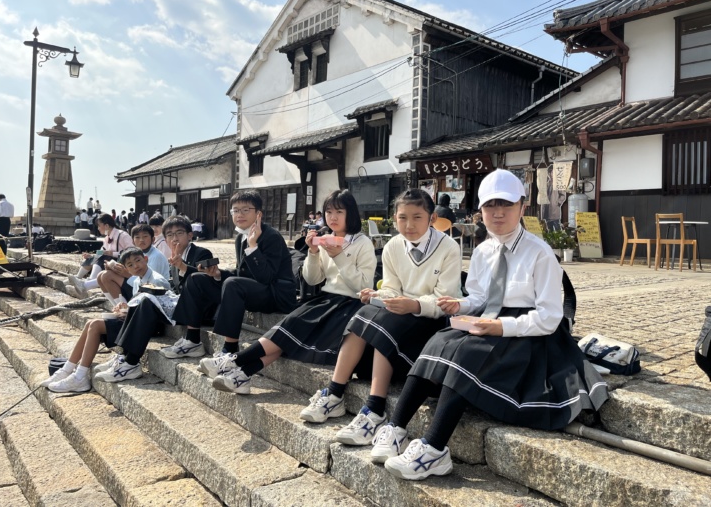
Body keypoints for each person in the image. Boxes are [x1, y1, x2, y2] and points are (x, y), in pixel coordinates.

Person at [371, 169, 608, 480]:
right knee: (440, 341)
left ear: (523, 207)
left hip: (530, 335)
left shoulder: (541, 254)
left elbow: (550, 318)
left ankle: (434, 448)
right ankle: (396, 426)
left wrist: (501, 327)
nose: (497, 214)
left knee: (468, 353)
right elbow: (480, 296)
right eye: (489, 206)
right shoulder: (483, 250)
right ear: (480, 211)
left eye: (506, 205)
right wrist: (461, 304)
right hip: (490, 321)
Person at [298, 189, 462, 448]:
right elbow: (392, 289)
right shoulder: (394, 246)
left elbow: (446, 300)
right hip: (400, 313)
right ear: (394, 218)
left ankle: (374, 409)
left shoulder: (448, 247)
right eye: (402, 218)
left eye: (417, 217)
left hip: (431, 320)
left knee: (383, 321)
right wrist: (376, 294)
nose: (408, 225)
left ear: (431, 218)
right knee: (364, 312)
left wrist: (414, 304)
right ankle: (335, 391)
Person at [212, 190, 377, 394]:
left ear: (350, 213)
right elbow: (312, 279)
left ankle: (234, 362)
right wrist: (314, 253)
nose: (332, 217)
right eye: (328, 212)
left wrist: (340, 257)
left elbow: (363, 286)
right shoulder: (326, 239)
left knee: (289, 334)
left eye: (339, 212)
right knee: (286, 333)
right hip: (324, 299)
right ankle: (242, 375)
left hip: (349, 303)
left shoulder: (362, 243)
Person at [160, 190, 297, 366]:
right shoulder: (241, 236)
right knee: (196, 278)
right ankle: (192, 340)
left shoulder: (271, 236)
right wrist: (217, 274)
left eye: (246, 210)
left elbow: (266, 277)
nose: (239, 214)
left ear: (258, 214)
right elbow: (242, 274)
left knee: (233, 284)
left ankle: (230, 349)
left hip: (276, 294)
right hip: (252, 290)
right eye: (235, 210)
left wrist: (253, 247)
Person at [96, 216, 212, 382]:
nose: (175, 238)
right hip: (178, 304)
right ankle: (126, 357)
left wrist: (183, 267)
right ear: (165, 239)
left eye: (179, 233)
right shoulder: (173, 256)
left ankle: (130, 362)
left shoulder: (201, 253)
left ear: (190, 235)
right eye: (170, 235)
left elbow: (206, 281)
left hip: (198, 310)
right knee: (142, 300)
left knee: (146, 300)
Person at [42, 247, 171, 393]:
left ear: (145, 260)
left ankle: (79, 377)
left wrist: (128, 311)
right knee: (90, 323)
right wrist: (124, 307)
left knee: (95, 325)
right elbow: (137, 304)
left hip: (146, 326)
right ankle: (67, 370)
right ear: (126, 269)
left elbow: (158, 309)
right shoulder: (137, 281)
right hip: (135, 320)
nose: (136, 266)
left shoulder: (158, 280)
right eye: (130, 265)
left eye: (138, 261)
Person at [96, 224, 170, 307]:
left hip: (150, 292)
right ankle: (118, 307)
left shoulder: (156, 256)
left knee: (107, 276)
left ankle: (124, 311)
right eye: (137, 237)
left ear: (153, 239)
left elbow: (151, 282)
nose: (141, 240)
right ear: (133, 241)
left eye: (145, 236)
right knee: (100, 275)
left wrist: (125, 273)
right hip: (137, 283)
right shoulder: (135, 253)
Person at [68, 213, 135, 298]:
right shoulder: (107, 237)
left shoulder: (122, 235)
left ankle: (87, 282)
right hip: (108, 262)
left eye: (99, 226)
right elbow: (102, 251)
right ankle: (79, 279)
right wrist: (91, 255)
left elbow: (131, 252)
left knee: (102, 257)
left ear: (106, 226)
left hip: (121, 264)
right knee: (95, 256)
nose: (98, 229)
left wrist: (112, 253)